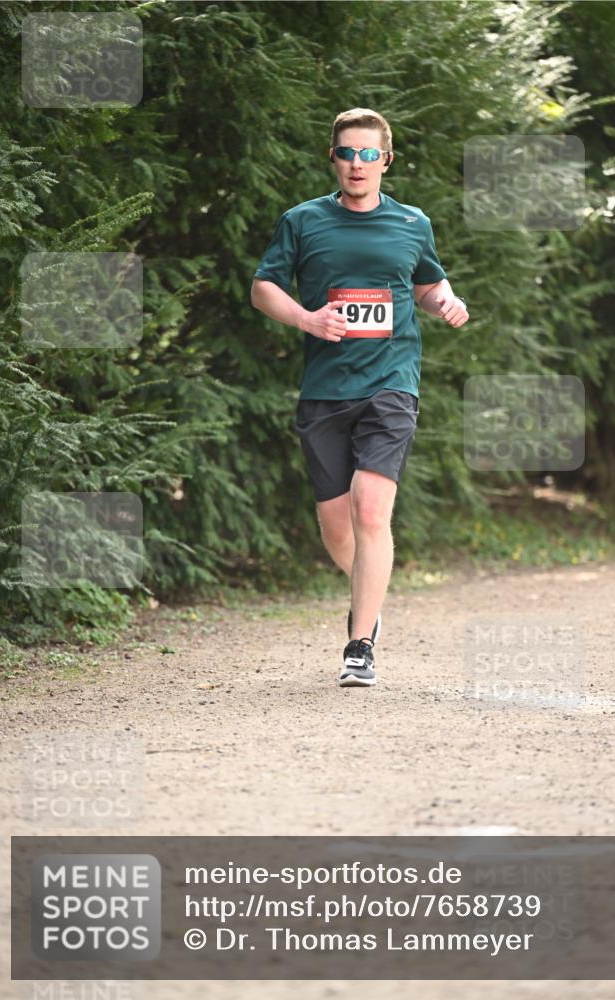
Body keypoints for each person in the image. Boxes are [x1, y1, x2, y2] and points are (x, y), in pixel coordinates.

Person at [251, 107, 468, 688]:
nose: (357, 163)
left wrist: (446, 302)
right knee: (337, 528)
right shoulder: (303, 221)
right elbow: (263, 287)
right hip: (325, 389)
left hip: (391, 382)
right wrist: (307, 319)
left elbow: (428, 284)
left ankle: (360, 643)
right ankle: (370, 597)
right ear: (334, 158)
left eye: (369, 154)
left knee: (371, 510)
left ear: (386, 161)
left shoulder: (412, 223)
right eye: (347, 152)